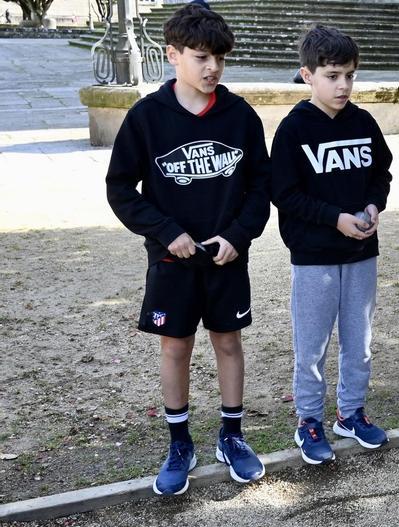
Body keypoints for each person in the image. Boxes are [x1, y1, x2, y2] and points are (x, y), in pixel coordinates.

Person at [104, 2, 270, 495]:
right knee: (176, 346)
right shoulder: (147, 117)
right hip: (170, 258)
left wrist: (238, 236)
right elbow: (119, 189)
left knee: (228, 342)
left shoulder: (240, 116)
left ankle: (232, 437)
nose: (212, 67)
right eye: (200, 56)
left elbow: (262, 187)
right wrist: (164, 231)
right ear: (173, 55)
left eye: (219, 57)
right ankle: (180, 443)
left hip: (226, 256)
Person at [268, 24, 394, 464]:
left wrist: (374, 205)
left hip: (361, 254)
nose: (343, 85)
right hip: (314, 257)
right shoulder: (293, 129)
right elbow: (284, 194)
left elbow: (381, 172)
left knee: (358, 341)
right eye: (333, 75)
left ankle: (351, 413)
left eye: (350, 76)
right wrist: (334, 219)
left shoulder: (363, 122)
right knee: (313, 344)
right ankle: (308, 420)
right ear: (308, 75)